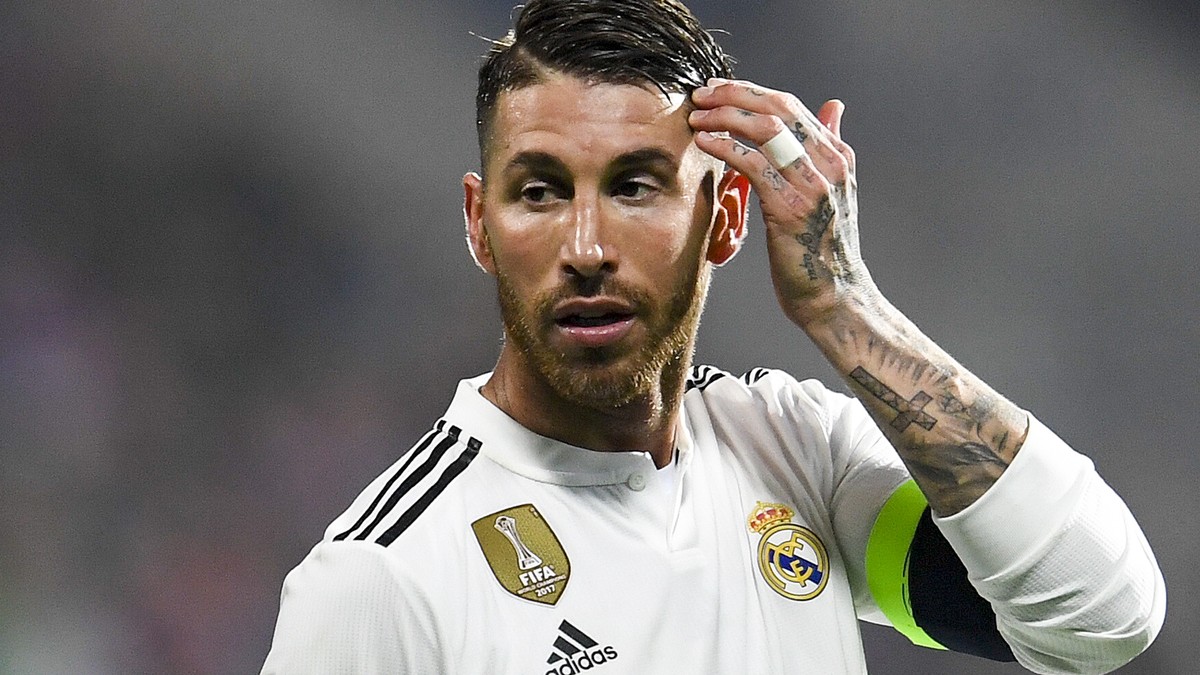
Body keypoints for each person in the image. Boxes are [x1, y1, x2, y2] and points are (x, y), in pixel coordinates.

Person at [261, 1, 1165, 672]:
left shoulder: (792, 452)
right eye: (539, 191)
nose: (586, 247)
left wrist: (845, 306)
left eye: (635, 186)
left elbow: (1101, 618)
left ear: (728, 216)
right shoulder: (383, 579)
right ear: (479, 223)